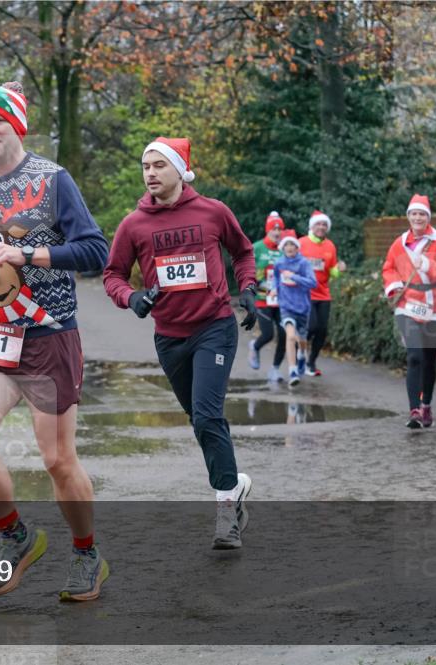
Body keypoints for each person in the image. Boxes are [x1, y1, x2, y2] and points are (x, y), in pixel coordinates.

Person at [0, 81, 110, 601]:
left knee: (58, 461)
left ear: (17, 126)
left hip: (47, 336)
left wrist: (30, 255)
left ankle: (86, 553)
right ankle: (15, 538)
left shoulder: (52, 180)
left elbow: (96, 251)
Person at [102, 136, 256, 550]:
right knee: (200, 420)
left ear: (180, 171)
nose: (150, 173)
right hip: (169, 337)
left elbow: (242, 252)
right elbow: (113, 274)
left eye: (159, 165)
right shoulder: (133, 224)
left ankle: (226, 512)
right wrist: (131, 297)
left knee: (207, 416)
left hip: (214, 327)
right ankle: (234, 485)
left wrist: (248, 289)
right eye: (146, 166)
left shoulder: (213, 211)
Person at [382, 194, 436, 429]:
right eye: (414, 214)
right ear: (408, 216)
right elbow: (389, 268)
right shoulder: (400, 243)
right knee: (414, 355)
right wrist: (394, 286)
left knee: (429, 360)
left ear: (428, 217)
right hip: (408, 305)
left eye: (422, 214)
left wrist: (427, 265)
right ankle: (414, 410)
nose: (417, 218)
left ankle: (426, 405)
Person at [299, 211, 346, 376]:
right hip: (305, 293)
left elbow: (332, 271)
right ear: (312, 226)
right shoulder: (301, 243)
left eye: (324, 224)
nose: (321, 227)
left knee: (322, 330)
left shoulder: (330, 246)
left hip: (323, 294)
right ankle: (300, 352)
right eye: (318, 224)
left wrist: (339, 270)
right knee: (311, 327)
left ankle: (311, 362)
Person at [273, 235, 318, 387]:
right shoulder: (279, 263)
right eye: (287, 245)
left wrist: (294, 277)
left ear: (297, 248)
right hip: (286, 306)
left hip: (303, 307)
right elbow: (276, 279)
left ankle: (302, 354)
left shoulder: (304, 263)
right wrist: (274, 289)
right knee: (291, 336)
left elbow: (313, 283)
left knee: (302, 340)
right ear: (283, 248)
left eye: (292, 244)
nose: (290, 247)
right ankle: (292, 371)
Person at [248, 211, 288, 382]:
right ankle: (255, 346)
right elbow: (245, 268)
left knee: (284, 334)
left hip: (282, 300)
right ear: (268, 230)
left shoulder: (285, 249)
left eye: (279, 229)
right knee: (268, 334)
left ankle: (275, 369)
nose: (277, 232)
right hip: (262, 298)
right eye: (274, 229)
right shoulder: (257, 248)